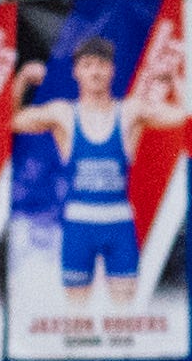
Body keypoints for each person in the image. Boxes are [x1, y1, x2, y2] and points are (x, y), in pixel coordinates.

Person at [11, 34, 180, 309]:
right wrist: (22, 80)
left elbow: (183, 117)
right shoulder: (62, 114)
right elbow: (10, 122)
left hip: (120, 225)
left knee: (123, 316)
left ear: (112, 70)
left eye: (102, 64)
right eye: (88, 64)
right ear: (76, 72)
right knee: (77, 317)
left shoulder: (130, 111)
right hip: (79, 226)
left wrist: (174, 79)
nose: (96, 71)